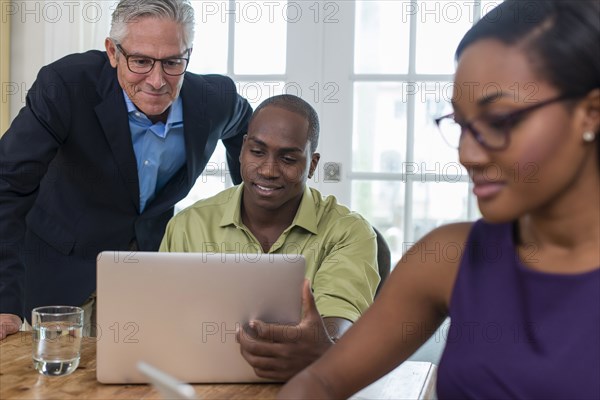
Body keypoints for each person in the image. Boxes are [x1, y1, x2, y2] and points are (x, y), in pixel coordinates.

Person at [278, 0, 600, 398]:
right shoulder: (448, 258)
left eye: (498, 120)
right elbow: (320, 381)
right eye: (461, 125)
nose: (467, 153)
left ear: (589, 113)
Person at [0, 0, 252, 340]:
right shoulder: (66, 85)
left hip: (144, 271)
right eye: (142, 61)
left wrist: (250, 210)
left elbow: (248, 135)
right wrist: (5, 300)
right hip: (58, 264)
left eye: (173, 62)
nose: (157, 80)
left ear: (187, 54)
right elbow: (8, 187)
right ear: (113, 52)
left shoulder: (214, 99)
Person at [160, 94, 380, 381]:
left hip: (304, 386)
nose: (268, 170)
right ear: (242, 151)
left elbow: (339, 322)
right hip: (202, 383)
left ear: (312, 165)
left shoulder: (348, 232)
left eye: (288, 159)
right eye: (258, 152)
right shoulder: (188, 226)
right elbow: (165, 324)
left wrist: (323, 341)